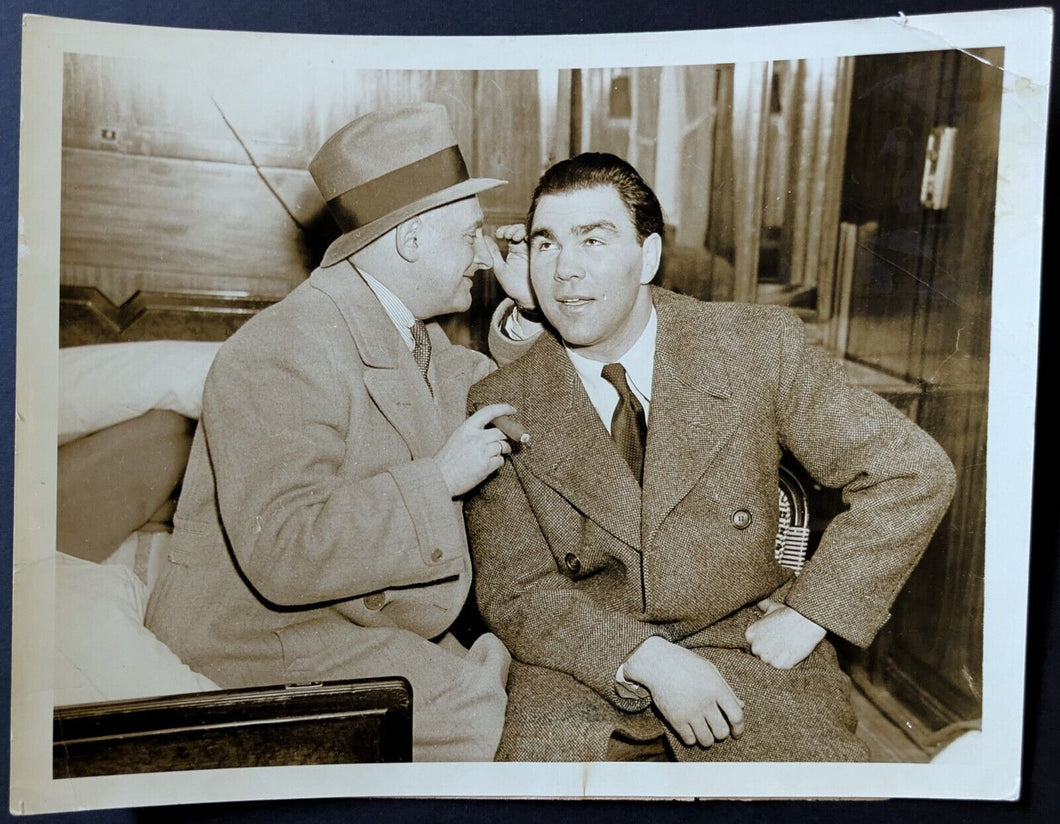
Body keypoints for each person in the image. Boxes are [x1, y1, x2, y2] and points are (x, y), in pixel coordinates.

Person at [466, 152, 957, 762]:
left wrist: (814, 611)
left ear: (648, 256)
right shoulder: (501, 401)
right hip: (584, 665)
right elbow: (515, 591)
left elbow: (911, 472)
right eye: (546, 245)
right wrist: (645, 658)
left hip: (746, 646)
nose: (565, 269)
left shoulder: (751, 348)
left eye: (594, 239)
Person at [145, 104, 539, 762]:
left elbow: (510, 395)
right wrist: (440, 479)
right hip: (253, 635)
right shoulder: (284, 346)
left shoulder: (415, 336)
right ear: (411, 240)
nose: (485, 256)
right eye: (471, 235)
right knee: (480, 717)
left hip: (346, 617)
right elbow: (286, 551)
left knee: (524, 684)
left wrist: (531, 303)